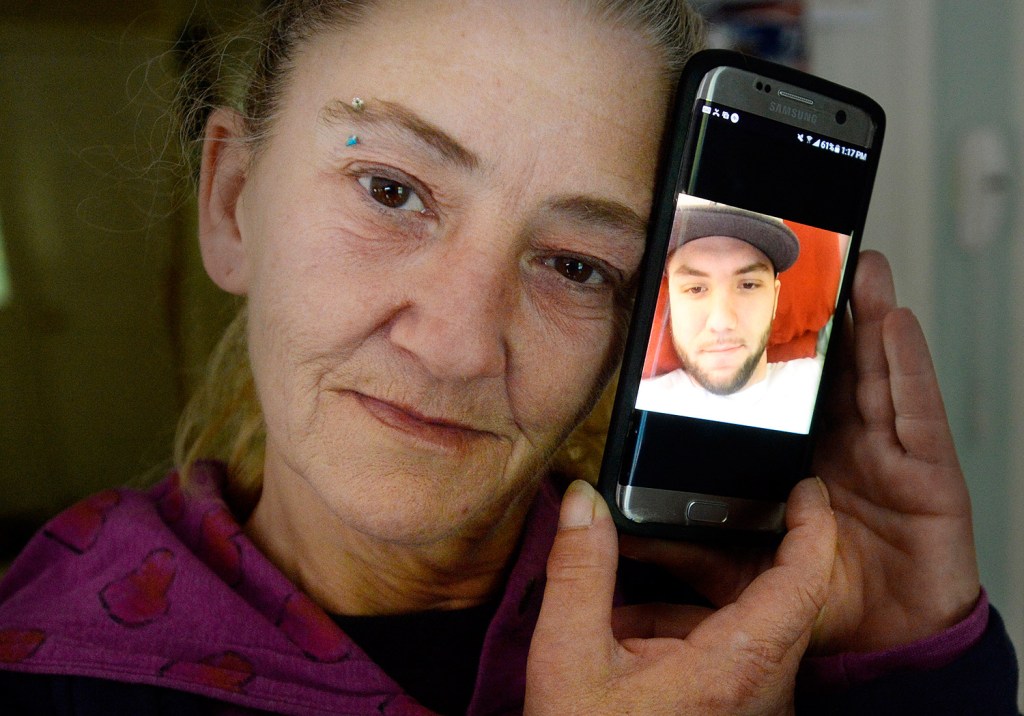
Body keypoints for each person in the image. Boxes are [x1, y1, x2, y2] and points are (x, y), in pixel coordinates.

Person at [0, 1, 1017, 714]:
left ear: (630, 325)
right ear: (231, 205)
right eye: (390, 191)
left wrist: (909, 669)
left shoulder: (724, 648)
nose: (454, 346)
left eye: (575, 264)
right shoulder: (44, 661)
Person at [636, 198, 826, 433]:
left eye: (748, 285)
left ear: (775, 299)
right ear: (671, 302)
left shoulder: (826, 391)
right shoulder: (637, 402)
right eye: (695, 289)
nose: (721, 322)